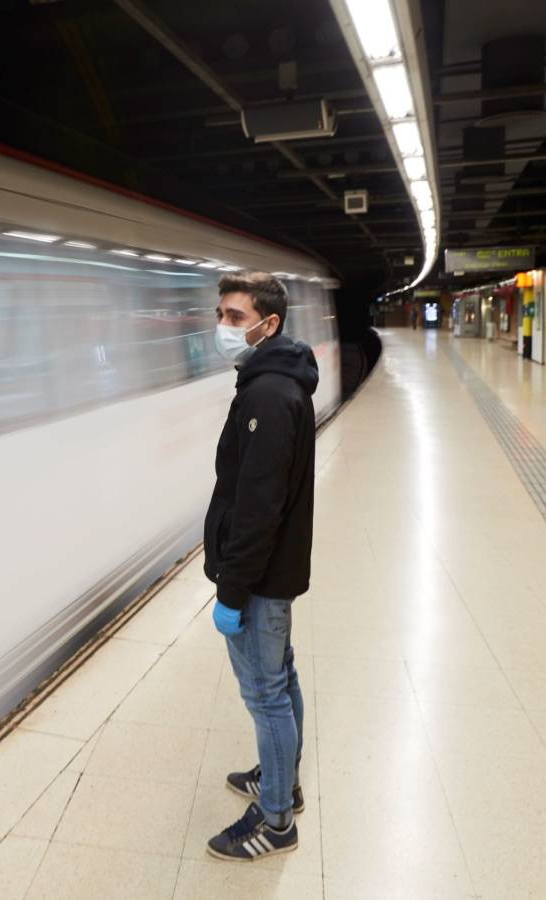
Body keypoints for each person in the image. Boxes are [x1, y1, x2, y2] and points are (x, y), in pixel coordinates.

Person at [202, 271, 318, 861]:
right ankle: (282, 784)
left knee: (266, 694)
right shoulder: (272, 382)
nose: (223, 327)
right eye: (220, 314)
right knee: (282, 678)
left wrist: (232, 588)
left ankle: (275, 822)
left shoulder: (269, 397)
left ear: (268, 325)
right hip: (274, 571)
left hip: (259, 578)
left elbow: (257, 506)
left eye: (235, 317)